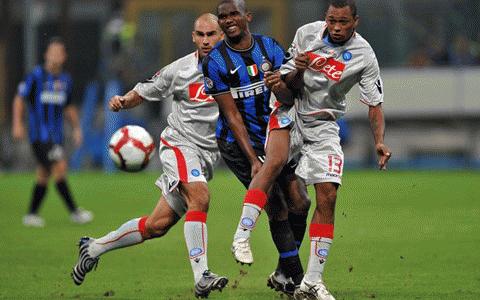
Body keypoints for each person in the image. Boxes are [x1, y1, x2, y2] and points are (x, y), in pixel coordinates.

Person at [70, 14, 228, 299]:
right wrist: (124, 100)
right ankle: (202, 276)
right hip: (180, 145)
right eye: (200, 34)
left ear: (222, 36)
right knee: (200, 197)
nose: (206, 40)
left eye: (211, 34)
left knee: (157, 226)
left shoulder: (235, 69)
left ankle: (93, 247)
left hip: (206, 155)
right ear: (193, 37)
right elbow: (147, 88)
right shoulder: (180, 70)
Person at [278, 1, 392, 299]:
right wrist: (298, 70)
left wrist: (379, 140)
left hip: (324, 125)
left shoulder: (365, 55)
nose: (337, 28)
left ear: (356, 21)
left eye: (343, 22)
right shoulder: (306, 34)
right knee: (276, 193)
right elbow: (285, 85)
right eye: (332, 21)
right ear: (325, 18)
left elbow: (374, 103)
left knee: (328, 194)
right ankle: (276, 261)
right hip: (288, 115)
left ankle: (312, 280)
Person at [203, 0, 311, 295]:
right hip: (237, 144)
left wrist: (282, 85)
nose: (227, 20)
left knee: (300, 202)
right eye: (222, 17)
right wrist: (253, 160)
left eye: (233, 14)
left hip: (274, 134)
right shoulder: (214, 61)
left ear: (247, 16)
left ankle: (282, 272)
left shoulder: (271, 49)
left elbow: (291, 95)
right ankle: (300, 282)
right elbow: (231, 115)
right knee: (276, 205)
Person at [11, 37, 93, 227]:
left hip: (57, 136)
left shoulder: (65, 80)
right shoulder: (35, 76)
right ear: (46, 55)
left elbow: (69, 107)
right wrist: (17, 123)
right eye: (52, 51)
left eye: (59, 52)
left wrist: (77, 129)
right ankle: (74, 212)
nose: (55, 55)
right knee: (60, 167)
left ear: (64, 57)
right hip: (40, 136)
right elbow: (19, 99)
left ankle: (31, 215)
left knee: (43, 174)